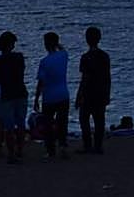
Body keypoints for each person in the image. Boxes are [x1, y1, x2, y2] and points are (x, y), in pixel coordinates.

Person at [0, 31, 28, 165]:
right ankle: (20, 150)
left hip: (7, 95)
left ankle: (11, 153)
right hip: (20, 92)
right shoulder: (19, 57)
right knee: (21, 123)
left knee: (9, 127)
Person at [76, 26, 111, 155]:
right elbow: (107, 77)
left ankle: (88, 145)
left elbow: (84, 78)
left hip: (88, 93)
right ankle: (98, 146)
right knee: (99, 120)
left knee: (84, 119)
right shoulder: (104, 56)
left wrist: (79, 95)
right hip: (101, 92)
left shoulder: (86, 57)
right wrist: (107, 93)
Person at [35, 31, 70, 159]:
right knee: (62, 123)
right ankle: (63, 146)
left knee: (48, 125)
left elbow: (41, 82)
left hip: (49, 97)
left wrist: (36, 98)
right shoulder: (63, 56)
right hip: (63, 94)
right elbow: (63, 49)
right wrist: (57, 44)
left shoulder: (44, 62)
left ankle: (51, 150)